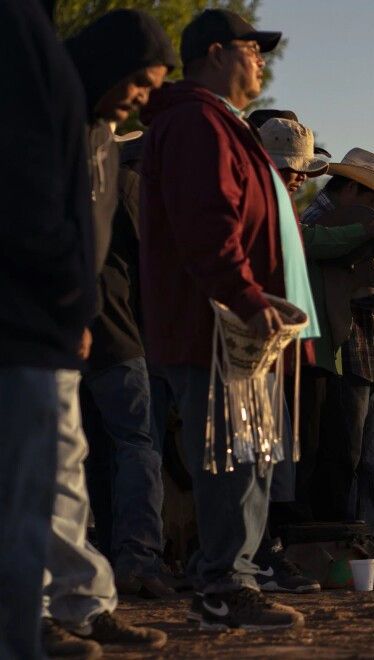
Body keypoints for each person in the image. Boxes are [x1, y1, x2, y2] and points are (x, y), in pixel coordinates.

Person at [139, 8, 309, 631]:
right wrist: (246, 297)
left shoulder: (215, 123)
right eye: (252, 48)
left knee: (248, 454)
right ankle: (221, 585)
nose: (261, 59)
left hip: (224, 324)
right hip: (214, 325)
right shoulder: (196, 122)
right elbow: (208, 224)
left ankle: (228, 580)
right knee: (233, 457)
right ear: (215, 52)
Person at [37, 10, 174, 658]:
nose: (144, 99)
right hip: (30, 323)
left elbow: (87, 242)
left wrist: (82, 308)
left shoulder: (101, 135)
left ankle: (82, 605)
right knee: (39, 470)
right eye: (142, 83)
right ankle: (33, 609)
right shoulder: (44, 112)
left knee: (63, 466)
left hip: (69, 327)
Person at [65, 9, 179, 601]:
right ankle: (134, 558)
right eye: (139, 83)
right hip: (107, 327)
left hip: (81, 323)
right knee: (133, 444)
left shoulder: (105, 148)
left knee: (82, 454)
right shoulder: (86, 142)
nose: (140, 99)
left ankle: (92, 570)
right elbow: (136, 257)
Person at [0, 1, 95, 656]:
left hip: (30, 316)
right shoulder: (19, 31)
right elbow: (30, 184)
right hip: (27, 321)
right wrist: (72, 293)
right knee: (24, 509)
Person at [300, 148, 374, 549]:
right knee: (346, 456)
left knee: (368, 460)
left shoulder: (341, 222)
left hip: (367, 348)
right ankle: (349, 540)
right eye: (369, 197)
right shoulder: (313, 222)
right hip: (342, 350)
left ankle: (371, 541)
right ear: (349, 188)